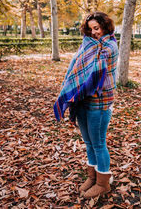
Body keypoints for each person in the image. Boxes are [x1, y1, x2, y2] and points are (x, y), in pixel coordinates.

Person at [53, 11, 119, 198]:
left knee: (98, 143)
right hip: (82, 100)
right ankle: (93, 177)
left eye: (96, 28)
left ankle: (103, 183)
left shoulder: (110, 46)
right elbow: (77, 66)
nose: (93, 33)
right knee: (89, 143)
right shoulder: (89, 45)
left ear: (105, 26)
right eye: (90, 30)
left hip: (100, 102)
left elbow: (92, 68)